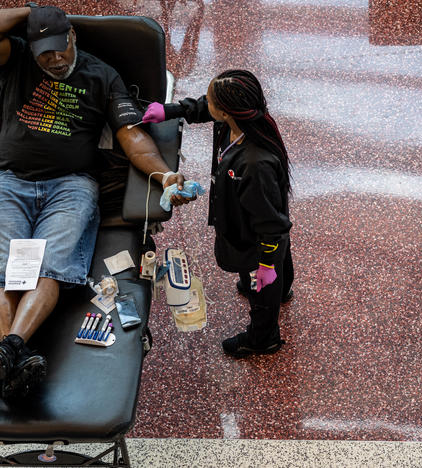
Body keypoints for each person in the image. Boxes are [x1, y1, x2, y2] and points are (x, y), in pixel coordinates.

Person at [0, 5, 192, 397]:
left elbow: (133, 136)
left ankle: (10, 348)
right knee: (4, 271)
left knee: (49, 268)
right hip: (9, 182)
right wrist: (32, 12)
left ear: (73, 37)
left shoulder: (102, 76)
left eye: (60, 48)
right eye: (44, 52)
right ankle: (11, 358)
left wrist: (163, 174)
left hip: (71, 186)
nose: (54, 59)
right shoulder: (16, 56)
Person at [142, 69, 294, 358]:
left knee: (263, 285)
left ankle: (264, 338)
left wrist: (266, 266)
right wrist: (171, 110)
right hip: (250, 215)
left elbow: (271, 226)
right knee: (276, 269)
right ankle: (283, 286)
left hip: (255, 233)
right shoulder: (237, 120)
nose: (206, 104)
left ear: (225, 111)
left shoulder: (254, 163)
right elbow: (202, 107)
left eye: (211, 101)